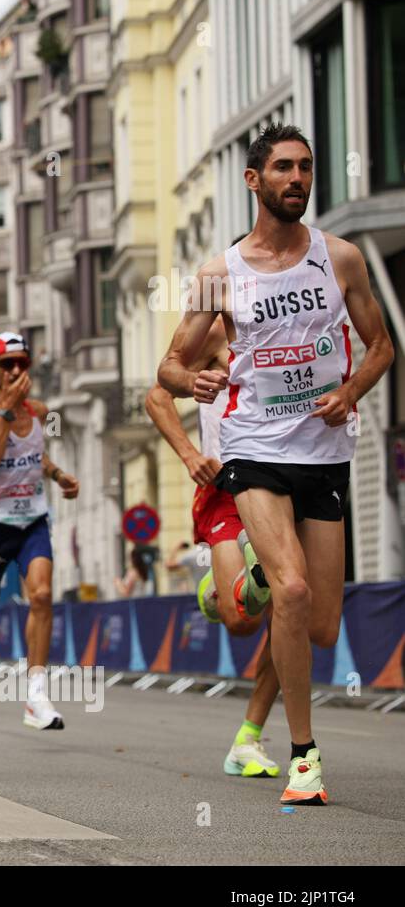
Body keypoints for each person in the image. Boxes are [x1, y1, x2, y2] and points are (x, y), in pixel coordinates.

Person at [156, 123, 394, 805]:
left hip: (324, 455)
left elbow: (381, 347)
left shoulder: (341, 258)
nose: (298, 179)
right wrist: (189, 381)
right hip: (254, 449)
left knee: (318, 623)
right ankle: (303, 756)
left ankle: (255, 577)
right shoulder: (218, 274)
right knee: (290, 592)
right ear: (254, 180)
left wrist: (349, 391)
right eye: (284, 168)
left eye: (307, 168)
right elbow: (169, 366)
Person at [146, 320, 283, 778]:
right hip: (225, 486)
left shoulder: (298, 329)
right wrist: (189, 454)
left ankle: (249, 738)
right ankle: (229, 586)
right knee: (242, 622)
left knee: (293, 612)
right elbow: (157, 395)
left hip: (286, 484)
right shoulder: (215, 335)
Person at [0, 333, 79, 728]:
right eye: (6, 364)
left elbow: (33, 454)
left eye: (22, 362)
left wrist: (57, 474)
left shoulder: (38, 411)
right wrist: (5, 412)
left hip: (33, 520)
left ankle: (36, 695)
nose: (16, 370)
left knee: (41, 594)